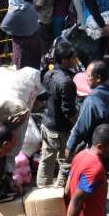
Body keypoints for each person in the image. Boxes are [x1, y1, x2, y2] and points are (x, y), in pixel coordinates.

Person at [37, 41, 77, 187]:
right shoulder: (67, 83)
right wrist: (78, 126)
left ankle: (42, 191)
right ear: (66, 60)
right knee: (65, 163)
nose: (76, 60)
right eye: (74, 58)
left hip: (46, 125)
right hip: (61, 131)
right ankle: (59, 195)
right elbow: (69, 111)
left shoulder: (48, 74)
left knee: (46, 160)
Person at [66, 61, 109, 157]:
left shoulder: (92, 100)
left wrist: (69, 147)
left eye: (89, 76)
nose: (86, 79)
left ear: (98, 78)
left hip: (99, 151)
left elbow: (80, 128)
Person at [0, 0, 41, 70]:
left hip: (21, 46)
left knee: (21, 70)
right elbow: (36, 17)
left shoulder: (13, 12)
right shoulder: (29, 6)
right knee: (33, 67)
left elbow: (4, 26)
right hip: (35, 42)